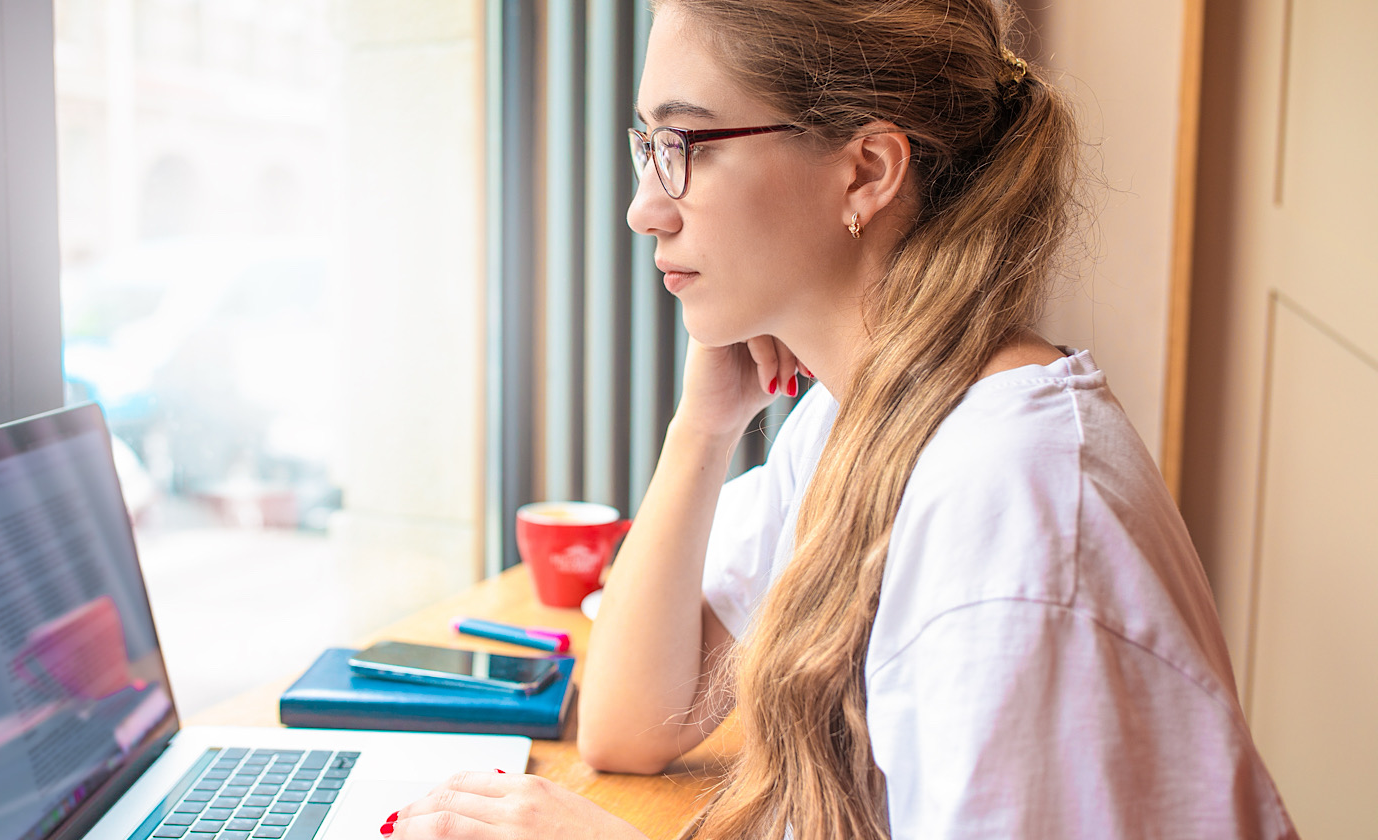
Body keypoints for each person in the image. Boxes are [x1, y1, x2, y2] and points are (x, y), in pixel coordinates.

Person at [387, 0, 1298, 837]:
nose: (642, 208)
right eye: (647, 143)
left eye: (687, 144)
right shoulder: (850, 420)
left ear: (865, 171)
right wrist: (701, 429)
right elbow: (630, 726)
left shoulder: (1011, 512)